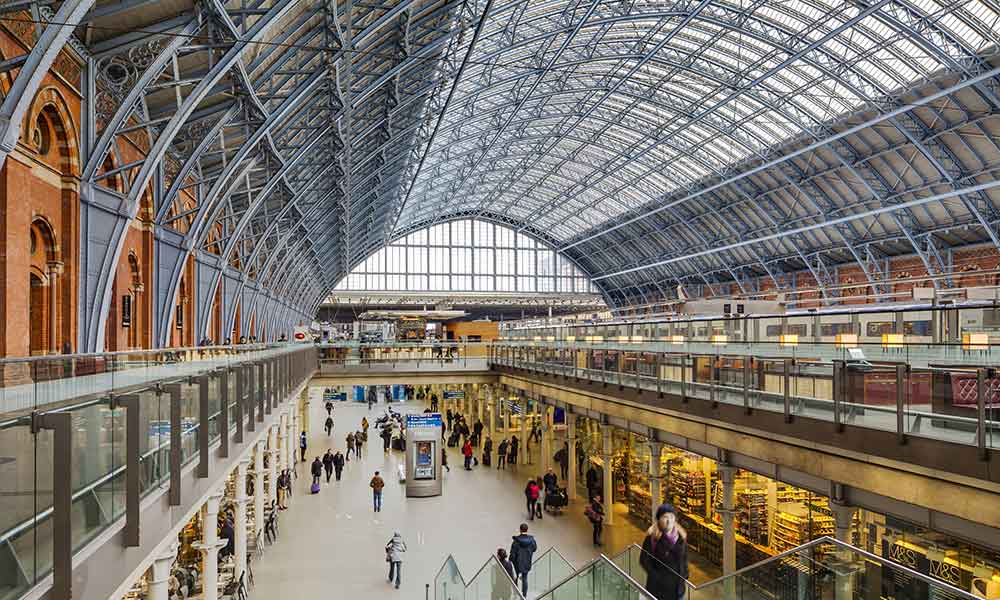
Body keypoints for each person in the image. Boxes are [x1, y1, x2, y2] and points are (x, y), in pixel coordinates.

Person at [640, 504, 689, 600]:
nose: (668, 520)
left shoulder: (681, 537)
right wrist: (656, 577)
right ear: (659, 519)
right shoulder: (652, 538)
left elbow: (684, 558)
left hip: (678, 589)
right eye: (665, 517)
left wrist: (685, 574)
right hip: (658, 590)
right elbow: (644, 559)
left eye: (671, 517)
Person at [509, 523, 537, 598]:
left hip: (517, 563)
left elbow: (513, 553)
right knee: (525, 578)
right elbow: (534, 549)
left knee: (516, 577)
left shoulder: (516, 541)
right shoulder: (532, 540)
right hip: (527, 562)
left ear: (520, 530)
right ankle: (524, 595)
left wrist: (510, 560)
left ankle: (515, 592)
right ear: (527, 530)